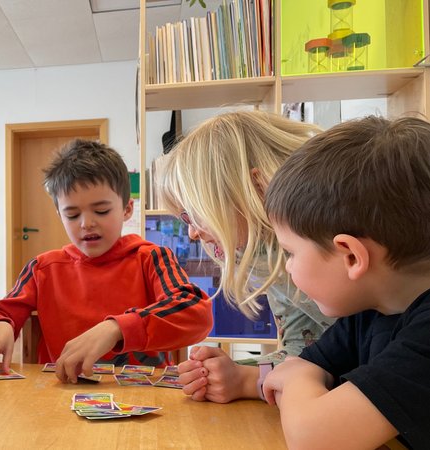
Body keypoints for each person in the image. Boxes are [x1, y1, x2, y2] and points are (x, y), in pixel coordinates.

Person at [0, 139, 213, 383]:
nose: (86, 223)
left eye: (101, 211)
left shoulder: (151, 258)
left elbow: (196, 312)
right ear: (59, 215)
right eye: (72, 214)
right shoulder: (42, 268)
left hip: (144, 401)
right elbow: (3, 310)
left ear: (127, 209)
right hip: (62, 399)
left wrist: (116, 329)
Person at [261, 116, 430, 449]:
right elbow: (307, 365)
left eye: (290, 252)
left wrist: (297, 382)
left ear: (351, 256)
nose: (287, 267)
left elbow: (316, 438)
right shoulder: (370, 312)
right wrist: (302, 376)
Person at [158, 110, 334, 403]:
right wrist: (240, 377)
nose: (192, 234)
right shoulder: (266, 255)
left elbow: (361, 357)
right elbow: (303, 348)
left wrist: (247, 380)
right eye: (184, 219)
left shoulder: (311, 255)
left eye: (194, 214)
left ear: (255, 187)